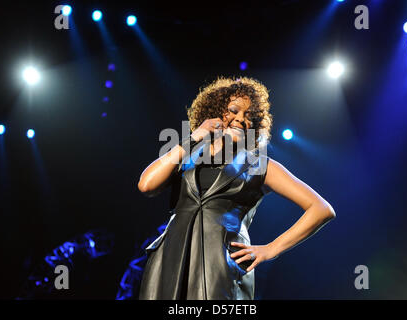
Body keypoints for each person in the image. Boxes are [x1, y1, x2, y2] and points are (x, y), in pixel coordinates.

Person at [137, 76, 335, 300]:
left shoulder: (260, 165)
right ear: (213, 111)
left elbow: (321, 208)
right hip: (169, 261)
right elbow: (146, 185)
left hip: (220, 266)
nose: (240, 119)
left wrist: (271, 249)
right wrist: (194, 137)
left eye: (249, 116)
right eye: (233, 110)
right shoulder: (187, 155)